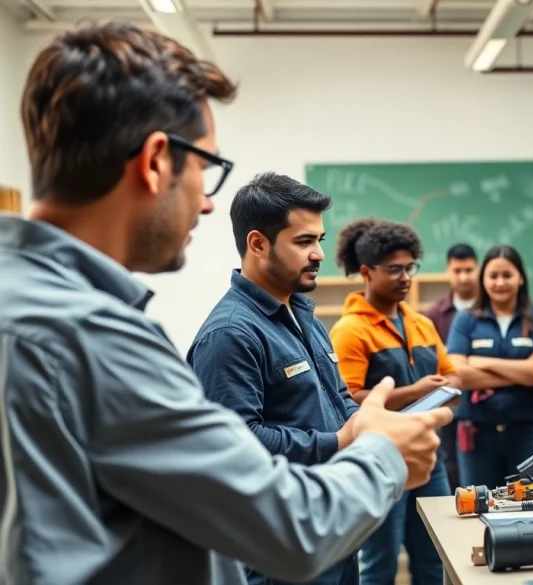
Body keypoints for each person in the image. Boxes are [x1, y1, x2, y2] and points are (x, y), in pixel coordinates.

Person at [0, 20, 452, 585]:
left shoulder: (22, 304)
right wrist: (383, 452)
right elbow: (292, 529)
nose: (210, 206)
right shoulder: (93, 338)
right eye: (206, 171)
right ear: (157, 161)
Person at [187, 172, 363, 585]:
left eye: (319, 239)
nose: (319, 253)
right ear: (257, 243)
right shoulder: (230, 334)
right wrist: (338, 442)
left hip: (332, 528)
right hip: (279, 553)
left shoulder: (302, 313)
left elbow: (335, 395)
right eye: (304, 242)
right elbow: (238, 444)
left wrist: (364, 420)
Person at [330, 218, 460, 585]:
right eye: (394, 270)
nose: (406, 277)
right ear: (367, 273)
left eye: (410, 267)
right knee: (380, 562)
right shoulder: (350, 330)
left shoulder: (420, 323)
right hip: (381, 458)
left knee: (434, 556)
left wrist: (438, 390)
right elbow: (349, 398)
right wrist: (417, 391)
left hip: (428, 457)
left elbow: (453, 375)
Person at [446, 244, 533, 487]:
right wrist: (522, 371)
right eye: (493, 276)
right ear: (483, 279)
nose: (500, 282)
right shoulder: (465, 320)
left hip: (528, 433)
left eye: (507, 275)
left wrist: (482, 362)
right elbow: (458, 375)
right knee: (479, 510)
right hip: (477, 434)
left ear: (521, 278)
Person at [423, 243, 479, 492]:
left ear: (478, 269)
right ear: (448, 271)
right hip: (447, 415)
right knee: (453, 479)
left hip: (484, 415)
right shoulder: (433, 315)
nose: (464, 277)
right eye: (458, 270)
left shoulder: (491, 308)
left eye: (469, 270)